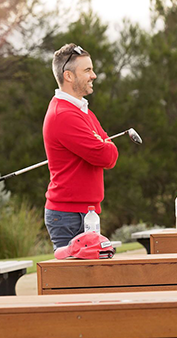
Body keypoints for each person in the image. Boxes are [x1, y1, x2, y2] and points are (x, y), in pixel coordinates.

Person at [43, 44, 119, 250]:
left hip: (86, 213)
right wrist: (103, 143)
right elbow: (106, 155)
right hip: (68, 217)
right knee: (73, 281)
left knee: (89, 279)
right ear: (68, 76)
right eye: (87, 70)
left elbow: (109, 151)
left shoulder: (82, 111)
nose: (93, 75)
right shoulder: (64, 114)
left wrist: (103, 143)